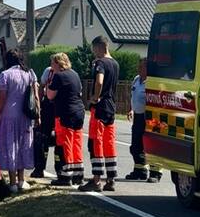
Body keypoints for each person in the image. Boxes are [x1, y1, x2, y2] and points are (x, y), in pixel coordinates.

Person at [0, 49, 39, 193]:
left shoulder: (5, 75)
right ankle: (21, 180)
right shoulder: (29, 73)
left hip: (8, 116)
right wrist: (38, 115)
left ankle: (12, 182)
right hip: (25, 116)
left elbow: (1, 99)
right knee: (23, 146)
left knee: (10, 146)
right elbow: (36, 97)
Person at [79, 36, 120, 192]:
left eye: (94, 49)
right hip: (111, 106)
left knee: (96, 142)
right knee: (109, 143)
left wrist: (95, 97)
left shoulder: (100, 63)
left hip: (101, 106)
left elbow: (100, 81)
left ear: (100, 47)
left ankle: (96, 180)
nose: (93, 52)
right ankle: (111, 179)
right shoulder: (115, 64)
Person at [45, 52, 85, 187]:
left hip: (65, 113)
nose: (51, 66)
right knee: (76, 143)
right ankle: (78, 174)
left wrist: (47, 87)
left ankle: (66, 176)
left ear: (58, 63)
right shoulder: (75, 74)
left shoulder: (59, 76)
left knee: (65, 144)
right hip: (79, 112)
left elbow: (50, 95)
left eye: (52, 63)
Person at [124, 58, 162, 182]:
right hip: (139, 116)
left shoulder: (153, 82)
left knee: (153, 145)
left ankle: (155, 173)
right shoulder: (136, 80)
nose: (139, 69)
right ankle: (140, 170)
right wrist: (131, 109)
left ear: (148, 68)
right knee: (136, 145)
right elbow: (133, 96)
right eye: (138, 67)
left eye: (142, 67)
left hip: (152, 117)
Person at [30, 63, 56, 179]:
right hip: (47, 106)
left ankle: (61, 171)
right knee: (41, 138)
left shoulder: (63, 74)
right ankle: (39, 168)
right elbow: (41, 88)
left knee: (59, 141)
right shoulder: (49, 71)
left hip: (58, 106)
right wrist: (39, 107)